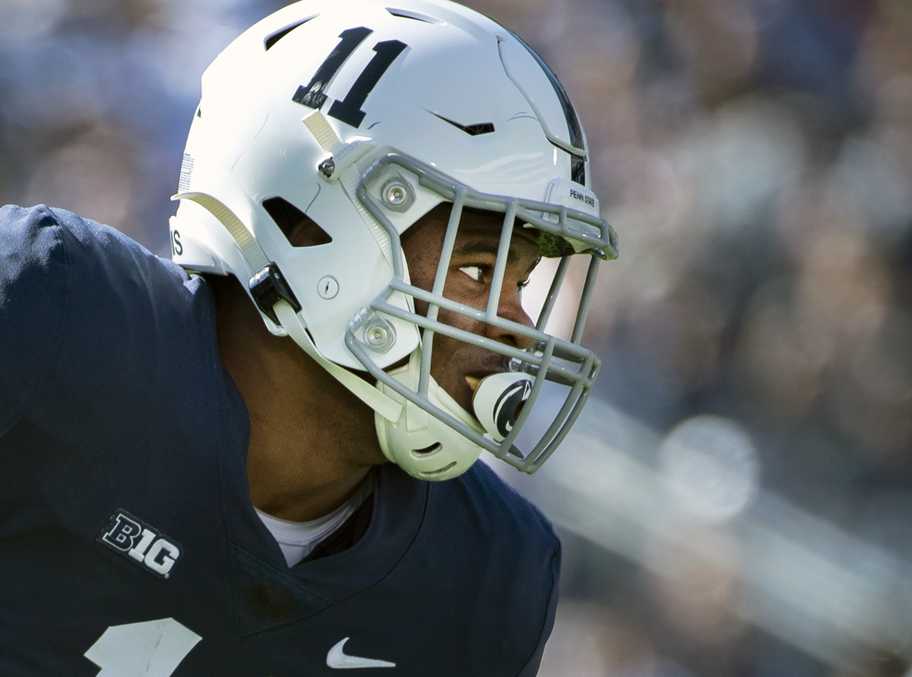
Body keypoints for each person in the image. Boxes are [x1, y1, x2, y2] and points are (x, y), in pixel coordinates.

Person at [0, 0, 618, 674]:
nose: (518, 328)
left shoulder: (487, 577)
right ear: (308, 221)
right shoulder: (52, 311)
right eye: (476, 268)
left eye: (523, 285)